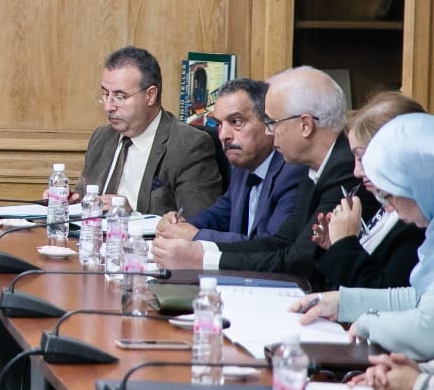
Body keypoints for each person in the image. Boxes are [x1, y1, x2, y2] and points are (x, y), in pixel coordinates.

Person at [153, 66, 370, 283]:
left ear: (305, 125)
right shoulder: (315, 165)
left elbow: (300, 259)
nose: (269, 131)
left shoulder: (344, 169)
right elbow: (280, 242)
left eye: (272, 123)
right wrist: (200, 252)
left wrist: (201, 258)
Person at [295, 111, 434, 355]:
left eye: (388, 193)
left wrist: (368, 323)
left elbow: (427, 328)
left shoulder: (414, 227)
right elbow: (420, 299)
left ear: (418, 182)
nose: (387, 204)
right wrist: (342, 303)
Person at [155, 78, 308, 244]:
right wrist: (179, 225)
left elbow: (272, 247)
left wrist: (196, 236)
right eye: (219, 124)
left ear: (268, 122)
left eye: (236, 122)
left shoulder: (293, 171)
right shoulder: (242, 166)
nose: (223, 136)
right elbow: (220, 215)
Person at [80, 46, 223, 216]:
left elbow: (196, 225)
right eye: (106, 94)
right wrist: (70, 200)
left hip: (146, 242)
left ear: (150, 95)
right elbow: (83, 196)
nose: (108, 106)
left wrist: (131, 218)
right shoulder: (102, 137)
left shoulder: (188, 146)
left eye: (120, 97)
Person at [309, 92, 425, 291]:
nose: (356, 171)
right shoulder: (386, 208)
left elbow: (388, 296)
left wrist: (345, 243)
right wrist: (334, 245)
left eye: (363, 157)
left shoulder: (418, 218)